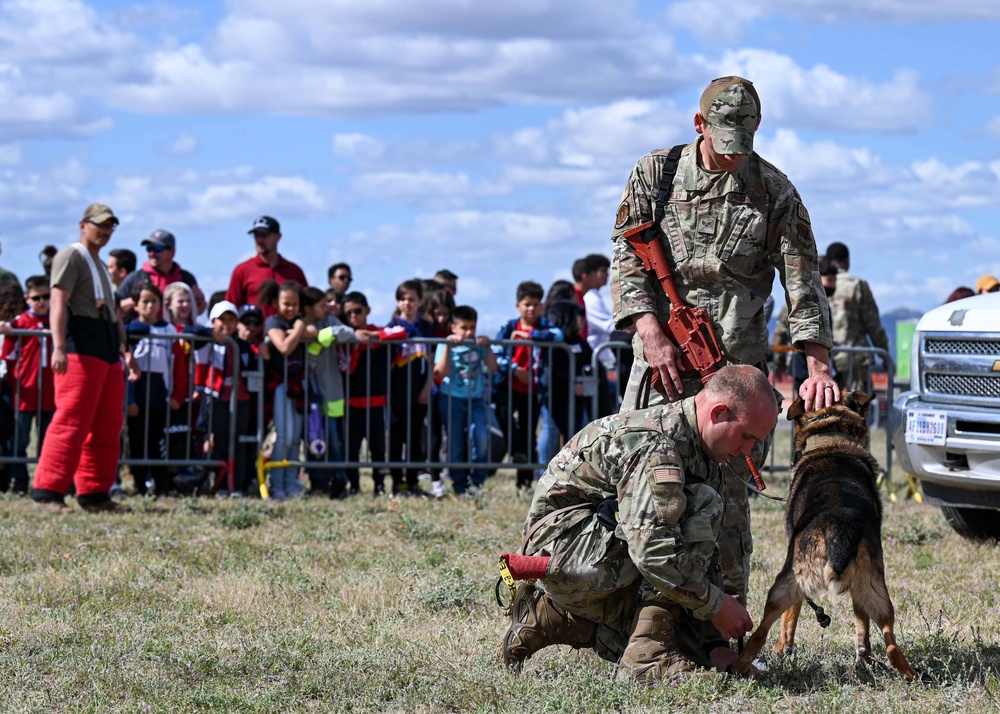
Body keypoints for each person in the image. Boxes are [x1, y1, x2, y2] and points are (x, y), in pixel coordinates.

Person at [610, 76, 836, 615]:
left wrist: (818, 365)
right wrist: (649, 330)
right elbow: (626, 256)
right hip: (662, 368)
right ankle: (626, 619)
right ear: (699, 126)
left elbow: (802, 279)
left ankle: (723, 623)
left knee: (730, 504)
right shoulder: (656, 174)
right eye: (722, 140)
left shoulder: (775, 190)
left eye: (744, 142)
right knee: (645, 490)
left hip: (735, 376)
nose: (733, 156)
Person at [501, 365, 778, 682]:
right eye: (746, 437)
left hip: (592, 557)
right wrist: (716, 605)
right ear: (718, 413)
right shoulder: (656, 446)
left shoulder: (703, 452)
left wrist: (713, 646)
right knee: (700, 507)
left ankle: (548, 618)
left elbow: (699, 557)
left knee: (678, 645)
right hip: (566, 555)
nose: (747, 452)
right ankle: (647, 660)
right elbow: (654, 551)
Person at [32, 203, 140, 513]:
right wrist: (58, 347)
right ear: (83, 224)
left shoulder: (99, 264)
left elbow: (112, 314)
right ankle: (47, 492)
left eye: (110, 227)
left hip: (106, 349)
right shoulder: (71, 255)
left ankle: (95, 493)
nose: (105, 231)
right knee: (71, 421)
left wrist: (126, 351)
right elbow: (57, 301)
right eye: (100, 225)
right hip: (79, 346)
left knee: (107, 425)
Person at [494, 281, 565, 492]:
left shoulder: (544, 327)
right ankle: (516, 451)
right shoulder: (508, 328)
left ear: (541, 306)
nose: (531, 309)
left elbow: (558, 336)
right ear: (518, 305)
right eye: (527, 304)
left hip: (533, 391)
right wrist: (515, 368)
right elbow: (498, 353)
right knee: (506, 421)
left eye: (535, 304)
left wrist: (530, 336)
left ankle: (523, 482)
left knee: (527, 433)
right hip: (507, 386)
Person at [184, 300, 257, 496]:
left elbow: (251, 366)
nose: (226, 324)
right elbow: (188, 332)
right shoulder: (206, 342)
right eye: (221, 319)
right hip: (216, 399)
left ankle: (237, 486)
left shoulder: (242, 346)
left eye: (231, 319)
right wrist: (210, 334)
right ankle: (219, 484)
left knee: (238, 443)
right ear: (212, 321)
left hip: (240, 400)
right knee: (218, 442)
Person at [125, 282, 189, 496]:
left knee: (158, 443)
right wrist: (129, 399)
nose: (150, 307)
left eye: (154, 301)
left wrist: (177, 395)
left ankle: (161, 485)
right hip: (138, 392)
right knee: (137, 442)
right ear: (136, 305)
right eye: (145, 301)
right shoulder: (130, 331)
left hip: (160, 395)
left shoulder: (168, 331)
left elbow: (178, 365)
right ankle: (140, 485)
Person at [340, 291, 407, 496]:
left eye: (357, 311)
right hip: (352, 403)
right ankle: (354, 486)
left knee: (378, 449)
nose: (353, 316)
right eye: (348, 313)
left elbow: (401, 333)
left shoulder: (379, 333)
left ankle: (379, 485)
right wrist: (356, 344)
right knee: (351, 450)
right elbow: (347, 369)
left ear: (367, 311)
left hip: (377, 403)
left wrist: (372, 336)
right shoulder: (344, 337)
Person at [261, 280, 317, 499]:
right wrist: (298, 330)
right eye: (286, 303)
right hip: (281, 386)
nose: (291, 308)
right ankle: (276, 484)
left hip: (298, 386)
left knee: (295, 438)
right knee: (283, 437)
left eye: (295, 304)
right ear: (276, 303)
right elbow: (284, 347)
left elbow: (313, 331)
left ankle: (291, 481)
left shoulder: (298, 323)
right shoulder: (272, 322)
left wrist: (299, 328)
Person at [434, 305, 497, 496]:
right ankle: (459, 485)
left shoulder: (478, 345)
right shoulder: (445, 345)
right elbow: (439, 372)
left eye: (472, 327)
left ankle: (477, 481)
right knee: (455, 443)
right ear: (453, 327)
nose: (469, 332)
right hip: (451, 399)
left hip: (476, 399)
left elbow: (493, 367)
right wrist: (447, 346)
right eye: (464, 327)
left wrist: (487, 348)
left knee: (482, 436)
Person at [0, 276, 55, 494]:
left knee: (48, 443)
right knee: (19, 442)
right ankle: (19, 483)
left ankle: (46, 483)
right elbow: (8, 358)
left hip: (51, 394)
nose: (41, 301)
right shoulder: (19, 324)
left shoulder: (58, 321)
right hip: (24, 393)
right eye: (36, 297)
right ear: (27, 298)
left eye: (46, 297)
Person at [386, 279, 435, 496]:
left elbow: (432, 358)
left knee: (415, 439)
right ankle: (398, 483)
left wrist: (428, 385)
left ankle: (413, 481)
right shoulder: (392, 327)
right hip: (397, 392)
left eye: (411, 299)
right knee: (396, 439)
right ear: (398, 302)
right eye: (403, 299)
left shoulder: (426, 328)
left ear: (420, 302)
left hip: (418, 392)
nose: (407, 303)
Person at [825, 242, 890, 392]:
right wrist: (884, 353)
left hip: (825, 357)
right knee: (857, 408)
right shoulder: (856, 285)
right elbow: (872, 323)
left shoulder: (818, 283)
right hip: (855, 356)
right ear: (847, 260)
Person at [773, 257, 838, 396]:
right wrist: (779, 364)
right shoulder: (796, 304)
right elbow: (781, 334)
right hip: (802, 364)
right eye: (830, 280)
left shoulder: (825, 305)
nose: (833, 285)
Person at [226, 216, 307, 318]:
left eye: (264, 235)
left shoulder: (294, 271)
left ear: (278, 237)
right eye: (256, 235)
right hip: (254, 333)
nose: (259, 240)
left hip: (290, 333)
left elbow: (306, 308)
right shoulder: (242, 270)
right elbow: (231, 308)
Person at [117, 229, 204, 320]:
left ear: (172, 252)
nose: (152, 253)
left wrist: (199, 301)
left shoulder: (186, 278)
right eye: (149, 249)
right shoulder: (135, 278)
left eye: (158, 249)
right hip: (145, 332)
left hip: (177, 332)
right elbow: (116, 308)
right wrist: (134, 302)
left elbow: (199, 311)